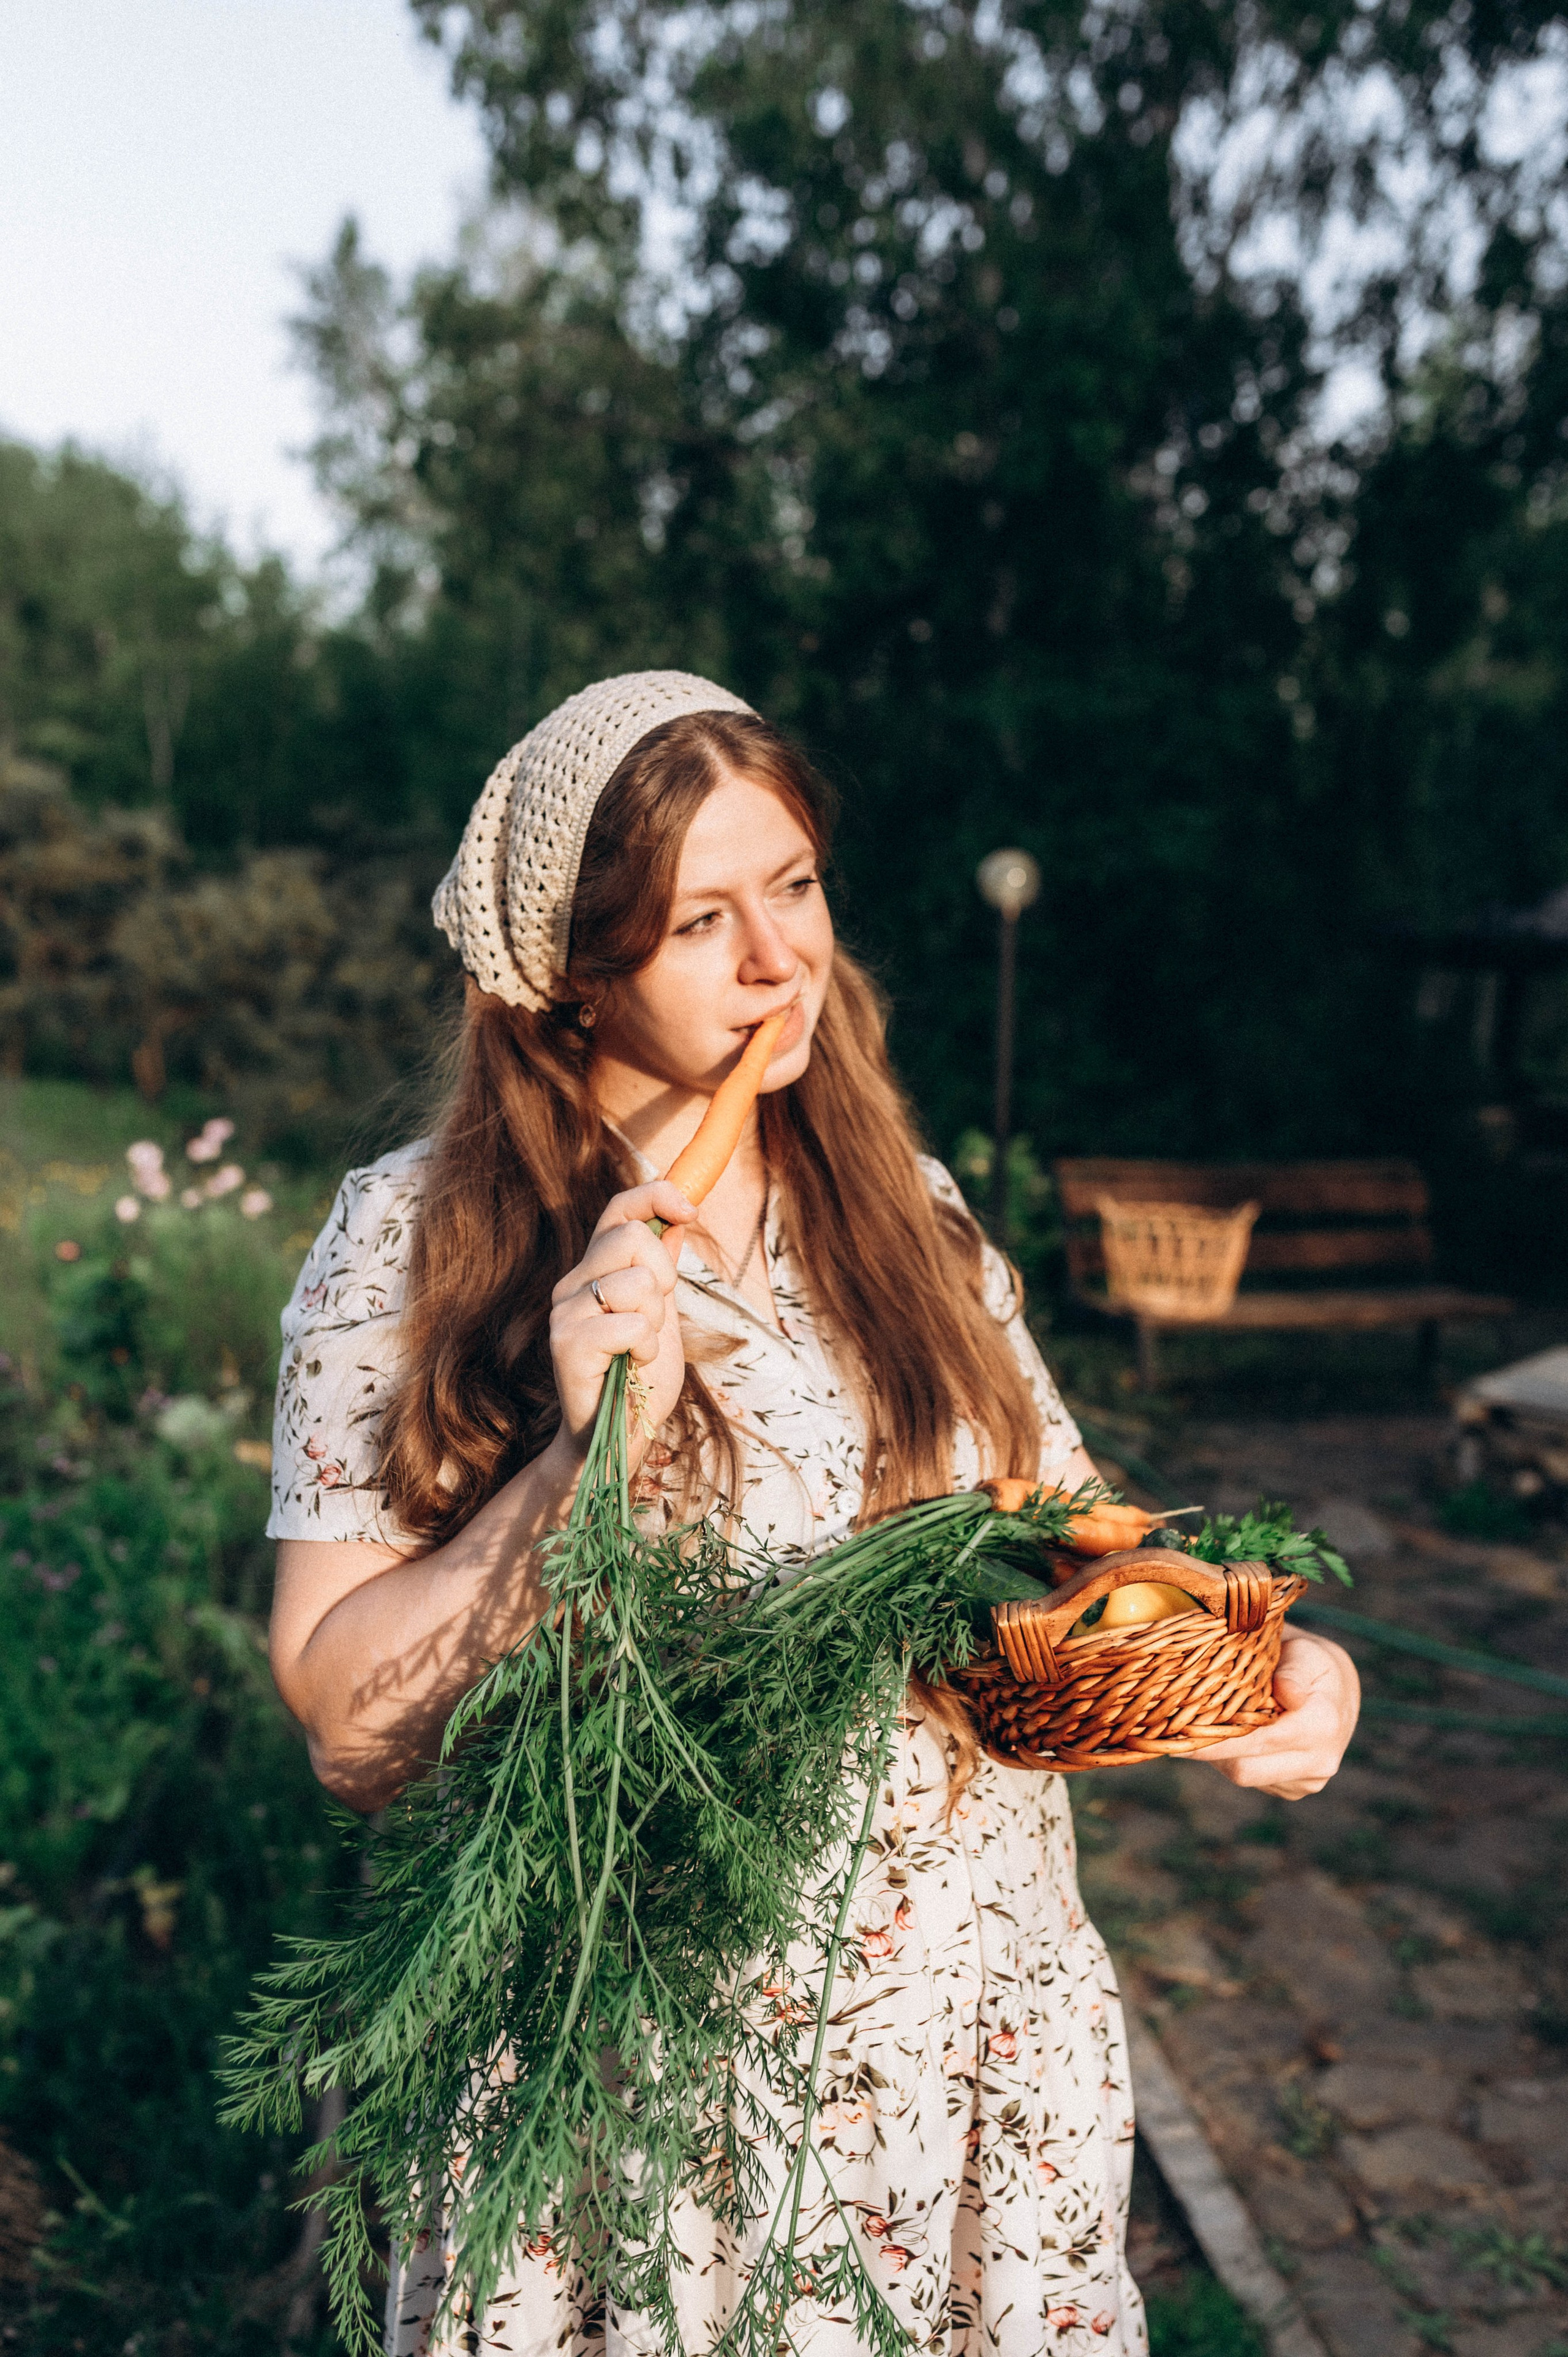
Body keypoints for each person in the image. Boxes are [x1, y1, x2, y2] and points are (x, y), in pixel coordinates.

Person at [266, 671, 1360, 2357]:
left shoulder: (901, 1213)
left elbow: (1072, 1533)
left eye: (794, 888)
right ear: (569, 976)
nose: (785, 961)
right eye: (705, 920)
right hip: (639, 2070)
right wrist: (578, 1471)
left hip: (964, 2035)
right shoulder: (417, 1245)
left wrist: (1270, 1659)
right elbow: (348, 1728)